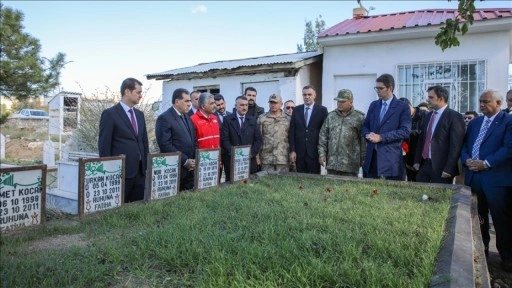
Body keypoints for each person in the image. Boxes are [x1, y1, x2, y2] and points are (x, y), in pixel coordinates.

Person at [461, 89, 512, 272]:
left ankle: (506, 257)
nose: (482, 104)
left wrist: (487, 163)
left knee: (500, 220)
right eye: (480, 101)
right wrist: (467, 159)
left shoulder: (508, 121)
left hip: (496, 180)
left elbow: (508, 148)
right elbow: (465, 145)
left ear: (498, 104)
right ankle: (481, 251)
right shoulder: (474, 123)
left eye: (486, 101)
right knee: (478, 218)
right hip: (474, 177)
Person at [98, 78, 149, 203]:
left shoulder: (139, 114)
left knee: (138, 208)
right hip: (121, 172)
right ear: (127, 91)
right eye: (138, 92)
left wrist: (146, 166)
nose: (141, 96)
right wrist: (108, 170)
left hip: (140, 172)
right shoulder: (110, 114)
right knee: (118, 209)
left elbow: (143, 141)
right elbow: (104, 144)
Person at [362, 74, 411, 180]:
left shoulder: (402, 107)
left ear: (390, 88)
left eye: (381, 88)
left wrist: (381, 137)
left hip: (390, 159)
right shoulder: (374, 105)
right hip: (372, 157)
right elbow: (365, 126)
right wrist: (367, 134)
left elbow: (405, 131)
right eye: (376, 88)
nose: (377, 91)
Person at [412, 86, 465, 184]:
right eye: (428, 97)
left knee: (438, 197)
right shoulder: (428, 116)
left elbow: (456, 146)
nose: (428, 100)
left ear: (441, 99)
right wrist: (417, 161)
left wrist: (449, 168)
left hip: (442, 167)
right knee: (420, 192)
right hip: (425, 163)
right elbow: (422, 140)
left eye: (431, 97)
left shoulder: (454, 117)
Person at [156, 88, 197, 191]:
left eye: (190, 101)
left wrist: (193, 160)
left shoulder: (187, 116)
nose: (189, 104)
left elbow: (193, 140)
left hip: (190, 170)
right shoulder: (164, 118)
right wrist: (185, 161)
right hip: (175, 170)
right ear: (177, 102)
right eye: (186, 101)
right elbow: (165, 145)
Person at [318, 89, 365, 177]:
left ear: (351, 102)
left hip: (350, 165)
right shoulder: (331, 116)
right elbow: (323, 136)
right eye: (338, 101)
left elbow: (363, 141)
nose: (339, 103)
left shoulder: (359, 118)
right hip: (332, 164)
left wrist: (363, 159)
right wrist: (322, 154)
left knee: (348, 190)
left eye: (342, 101)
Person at [288, 85, 328, 174]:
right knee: (300, 179)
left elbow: (325, 133)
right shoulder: (296, 110)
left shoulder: (322, 110)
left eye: (309, 94)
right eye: (304, 95)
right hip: (299, 153)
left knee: (314, 180)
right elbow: (292, 132)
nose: (307, 97)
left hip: (314, 152)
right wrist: (292, 150)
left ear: (315, 95)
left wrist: (323, 153)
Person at [221, 96, 262, 182]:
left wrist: (251, 154)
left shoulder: (252, 120)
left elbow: (258, 140)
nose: (244, 107)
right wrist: (234, 154)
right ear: (236, 106)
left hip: (249, 160)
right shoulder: (228, 120)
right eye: (242, 105)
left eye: (246, 105)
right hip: (232, 160)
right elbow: (225, 140)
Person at [257, 94, 290, 172]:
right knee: (266, 183)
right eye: (271, 103)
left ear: (281, 104)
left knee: (283, 183)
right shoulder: (262, 118)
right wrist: (257, 156)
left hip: (282, 159)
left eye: (275, 103)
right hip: (267, 159)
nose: (273, 105)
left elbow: (291, 139)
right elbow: (258, 139)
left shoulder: (288, 119)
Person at [398, 97, 427, 182]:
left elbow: (425, 133)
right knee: (411, 182)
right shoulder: (403, 119)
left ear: (409, 106)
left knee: (423, 184)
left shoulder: (424, 115)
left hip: (421, 157)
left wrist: (408, 132)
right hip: (408, 157)